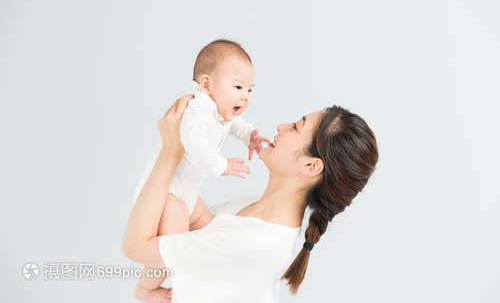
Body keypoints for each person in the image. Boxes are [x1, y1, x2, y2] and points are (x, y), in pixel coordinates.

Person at [122, 95, 378, 303]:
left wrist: (170, 152)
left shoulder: (254, 241)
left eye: (296, 127)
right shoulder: (257, 210)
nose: (281, 127)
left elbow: (135, 248)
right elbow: (182, 220)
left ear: (311, 166)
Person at [132, 40, 270, 302]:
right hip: (166, 189)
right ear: (207, 85)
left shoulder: (220, 110)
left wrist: (249, 136)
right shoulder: (199, 105)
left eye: (250, 90)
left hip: (186, 192)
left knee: (207, 227)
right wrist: (222, 165)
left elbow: (234, 123)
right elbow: (190, 137)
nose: (245, 96)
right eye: (239, 87)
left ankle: (210, 279)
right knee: (174, 238)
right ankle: (146, 288)